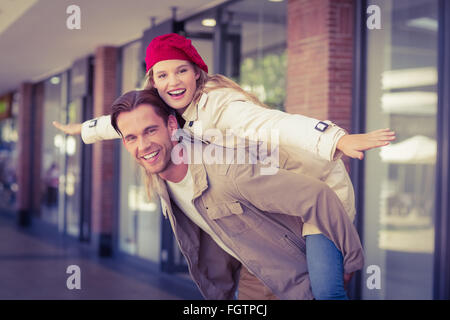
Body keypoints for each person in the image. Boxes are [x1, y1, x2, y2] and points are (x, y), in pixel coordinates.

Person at [53, 33, 395, 299]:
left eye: (181, 70)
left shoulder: (220, 105)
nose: (173, 81)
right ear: (153, 81)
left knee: (327, 290)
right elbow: (126, 123)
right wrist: (83, 130)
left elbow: (274, 123)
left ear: (197, 72)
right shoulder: (166, 109)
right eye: (163, 74)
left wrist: (335, 139)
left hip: (316, 189)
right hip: (276, 201)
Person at [110, 88, 364, 300]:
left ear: (172, 125)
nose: (143, 145)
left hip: (297, 280)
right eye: (131, 137)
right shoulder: (162, 179)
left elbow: (317, 196)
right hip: (253, 276)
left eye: (151, 131)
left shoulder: (227, 171)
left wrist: (348, 262)